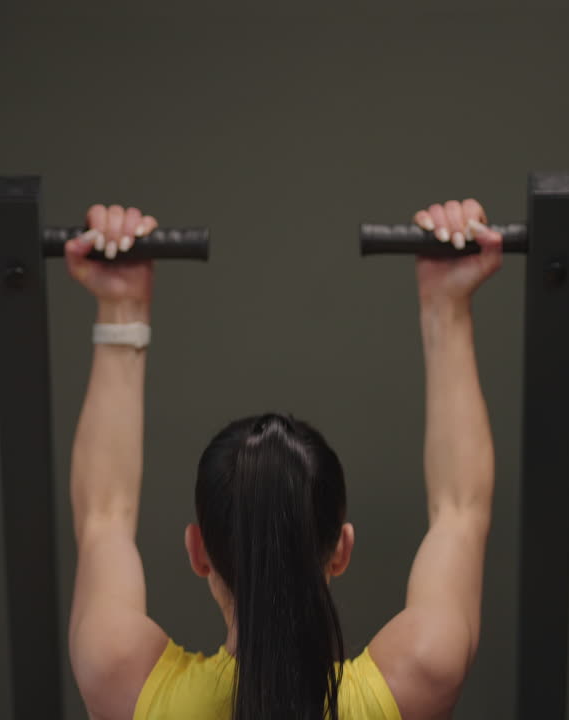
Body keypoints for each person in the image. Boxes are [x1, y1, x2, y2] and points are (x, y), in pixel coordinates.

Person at [65, 199, 502, 720]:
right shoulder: (420, 674)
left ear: (198, 550)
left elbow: (104, 516)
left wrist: (123, 308)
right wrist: (446, 302)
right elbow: (459, 511)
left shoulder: (120, 677)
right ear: (341, 549)